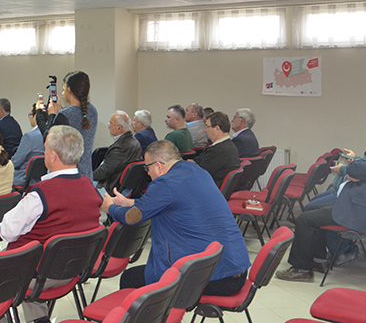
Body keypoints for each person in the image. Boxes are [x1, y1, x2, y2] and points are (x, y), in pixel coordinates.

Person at [103, 140, 250, 296]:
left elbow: (131, 218)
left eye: (147, 168)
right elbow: (164, 201)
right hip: (236, 268)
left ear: (158, 166)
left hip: (214, 276)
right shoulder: (197, 171)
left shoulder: (166, 183)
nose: (148, 173)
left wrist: (110, 208)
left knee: (129, 278)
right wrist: (127, 202)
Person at [276, 120, 366, 282]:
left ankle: (301, 270)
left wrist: (353, 170)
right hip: (359, 204)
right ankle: (319, 260)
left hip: (359, 212)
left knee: (305, 220)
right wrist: (356, 171)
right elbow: (360, 169)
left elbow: (356, 169)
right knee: (312, 210)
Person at [0, 125, 102, 323]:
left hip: (36, 274)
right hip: (72, 269)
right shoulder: (89, 187)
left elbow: (7, 232)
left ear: (53, 156)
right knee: (35, 256)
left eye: (45, 149)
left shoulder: (40, 194)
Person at [36, 71, 98, 180]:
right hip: (86, 174)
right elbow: (76, 120)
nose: (62, 93)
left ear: (69, 90)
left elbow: (48, 137)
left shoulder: (65, 115)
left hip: (66, 175)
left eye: (64, 89)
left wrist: (47, 115)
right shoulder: (92, 111)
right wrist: (60, 111)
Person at [93, 111, 143, 194]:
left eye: (111, 123)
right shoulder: (135, 142)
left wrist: (88, 176)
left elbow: (103, 172)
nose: (108, 126)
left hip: (111, 188)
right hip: (125, 188)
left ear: (119, 128)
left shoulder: (120, 148)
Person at [195, 111, 241, 188]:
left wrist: (191, 165)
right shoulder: (229, 145)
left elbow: (199, 174)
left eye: (207, 126)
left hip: (207, 189)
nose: (205, 130)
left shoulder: (218, 150)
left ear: (217, 128)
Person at [12, 105, 45, 186]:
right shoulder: (52, 134)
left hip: (25, 178)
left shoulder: (29, 136)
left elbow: (16, 161)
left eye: (30, 115)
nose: (30, 118)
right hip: (43, 178)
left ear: (36, 116)